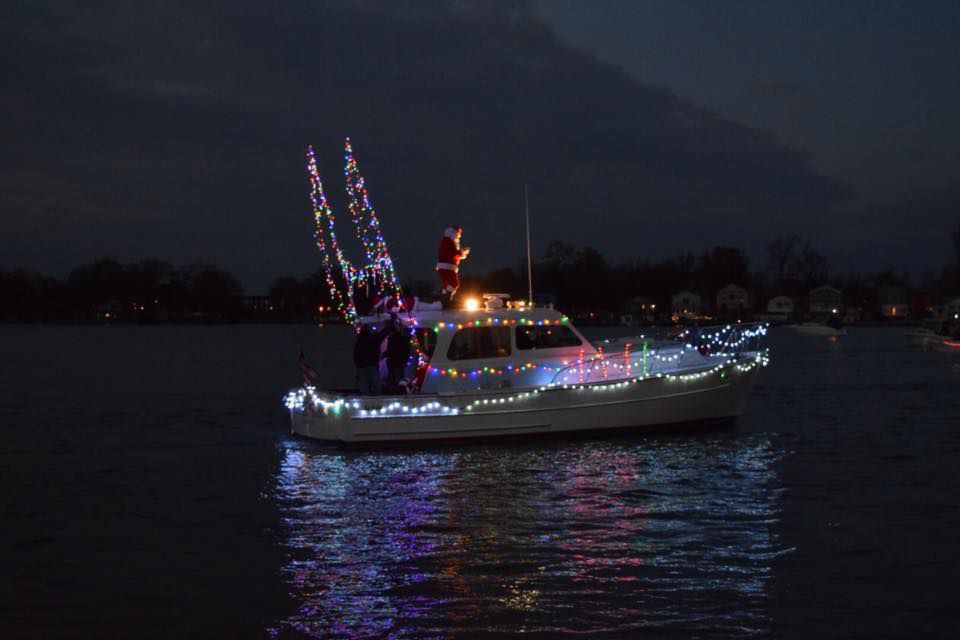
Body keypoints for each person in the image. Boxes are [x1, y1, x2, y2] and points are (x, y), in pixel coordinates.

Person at [436, 225, 470, 302]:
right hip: (446, 267)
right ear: (454, 233)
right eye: (458, 234)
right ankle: (445, 299)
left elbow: (453, 254)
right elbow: (450, 253)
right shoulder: (448, 241)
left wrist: (462, 252)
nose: (459, 236)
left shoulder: (450, 241)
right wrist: (461, 252)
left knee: (448, 285)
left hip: (447, 267)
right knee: (454, 283)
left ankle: (444, 300)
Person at [353, 324, 390, 394]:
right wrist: (389, 325)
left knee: (364, 388)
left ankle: (365, 402)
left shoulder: (359, 342)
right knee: (377, 387)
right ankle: (378, 402)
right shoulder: (373, 340)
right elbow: (382, 335)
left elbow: (356, 356)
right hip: (372, 366)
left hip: (362, 367)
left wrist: (358, 367)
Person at [384, 315, 412, 391]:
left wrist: (384, 355)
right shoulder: (402, 339)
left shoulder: (392, 339)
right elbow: (405, 350)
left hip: (393, 362)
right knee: (398, 379)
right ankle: (399, 392)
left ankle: (394, 391)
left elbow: (390, 351)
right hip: (398, 363)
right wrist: (404, 361)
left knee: (393, 379)